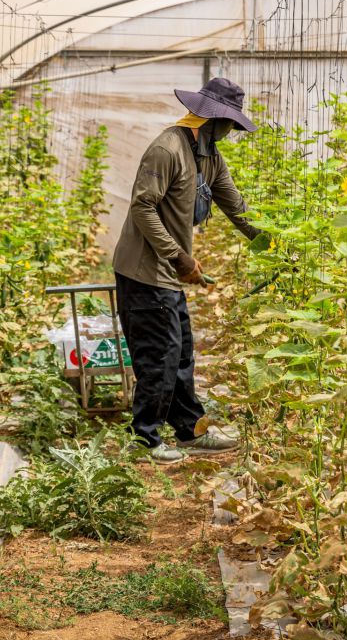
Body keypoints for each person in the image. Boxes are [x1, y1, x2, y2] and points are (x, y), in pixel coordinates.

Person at [112, 77, 262, 463]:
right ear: (211, 120)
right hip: (144, 271)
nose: (231, 131)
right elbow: (142, 207)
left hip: (168, 274)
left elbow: (236, 208)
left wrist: (275, 244)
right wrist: (179, 258)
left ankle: (189, 430)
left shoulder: (210, 158)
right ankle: (144, 440)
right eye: (229, 124)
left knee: (180, 353)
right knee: (160, 354)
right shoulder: (167, 150)